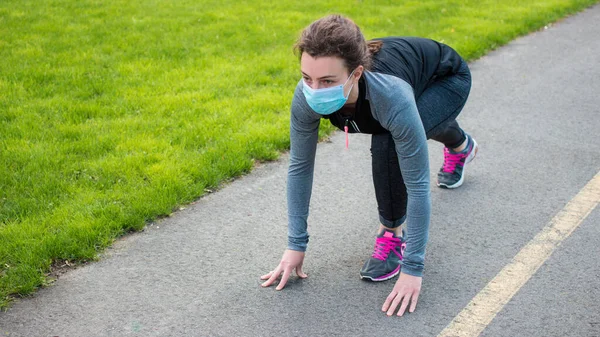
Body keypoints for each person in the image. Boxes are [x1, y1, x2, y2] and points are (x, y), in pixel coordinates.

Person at [260, 14, 478, 317]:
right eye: (307, 77)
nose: (315, 90)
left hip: (446, 79)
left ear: (357, 73)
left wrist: (413, 267)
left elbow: (417, 186)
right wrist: (296, 244)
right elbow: (300, 167)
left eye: (327, 81)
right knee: (408, 126)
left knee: (390, 141)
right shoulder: (306, 95)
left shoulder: (391, 97)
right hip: (408, 90)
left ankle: (391, 235)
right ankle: (461, 145)